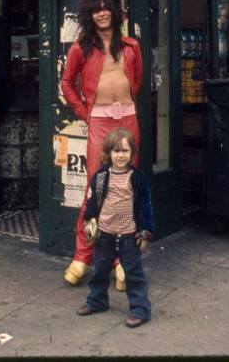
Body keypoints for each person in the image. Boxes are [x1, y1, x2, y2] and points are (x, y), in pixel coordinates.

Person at [60, 0, 142, 288]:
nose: (102, 12)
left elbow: (137, 81)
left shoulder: (131, 46)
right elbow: (67, 83)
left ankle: (122, 262)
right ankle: (82, 256)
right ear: (90, 15)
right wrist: (86, 113)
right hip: (100, 122)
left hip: (128, 120)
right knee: (96, 190)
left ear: (116, 12)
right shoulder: (80, 48)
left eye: (107, 7)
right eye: (96, 9)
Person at [76, 127, 153, 328]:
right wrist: (89, 222)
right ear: (109, 153)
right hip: (105, 234)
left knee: (134, 273)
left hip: (129, 235)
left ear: (132, 154)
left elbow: (146, 207)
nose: (121, 156)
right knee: (99, 270)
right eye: (117, 151)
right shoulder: (100, 177)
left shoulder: (137, 178)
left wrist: (144, 233)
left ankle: (140, 309)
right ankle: (97, 301)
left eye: (125, 151)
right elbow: (92, 202)